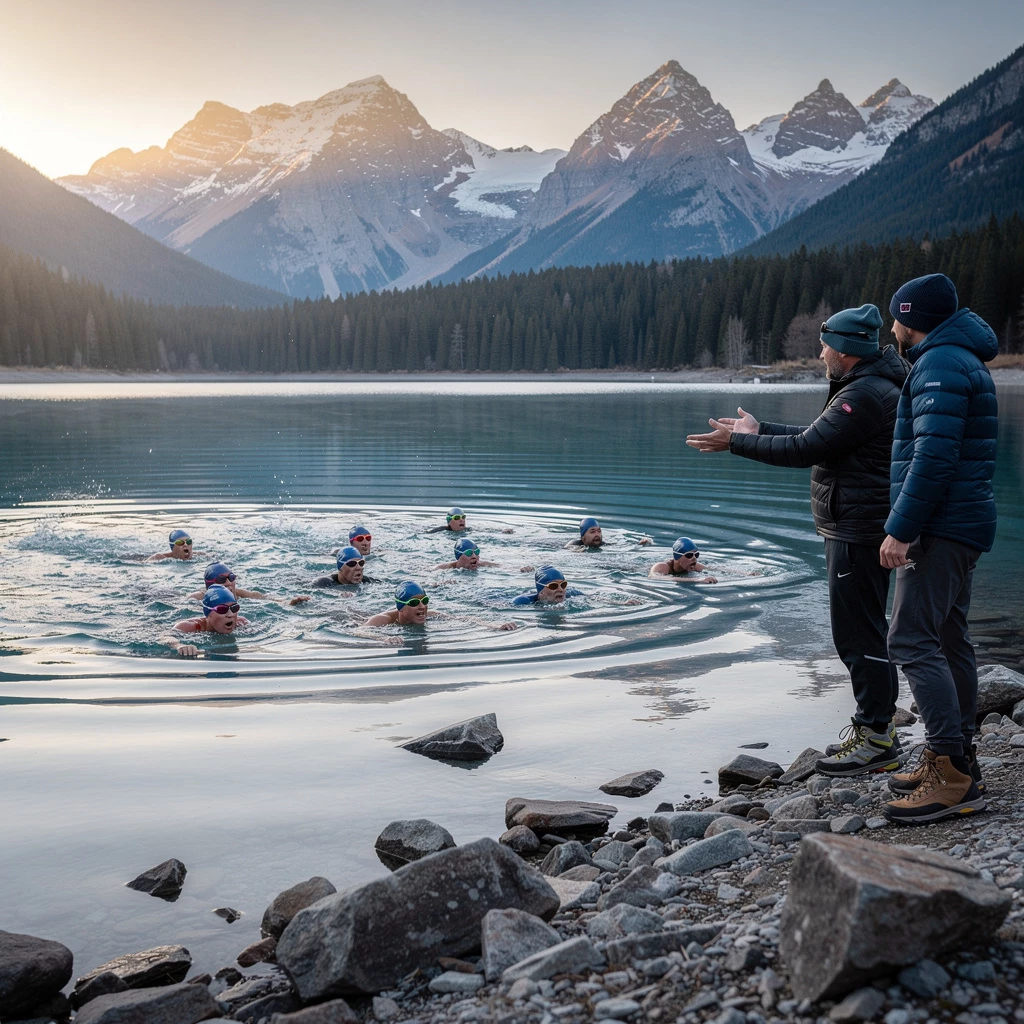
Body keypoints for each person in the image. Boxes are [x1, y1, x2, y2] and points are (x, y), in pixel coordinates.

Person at [687, 304, 908, 777]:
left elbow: (806, 448)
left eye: (826, 345)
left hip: (856, 529)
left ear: (846, 350)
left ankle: (875, 738)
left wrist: (737, 443)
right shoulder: (865, 387)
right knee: (863, 630)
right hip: (858, 525)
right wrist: (759, 430)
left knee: (858, 635)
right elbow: (820, 438)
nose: (821, 352)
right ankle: (878, 730)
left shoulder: (864, 393)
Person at [879, 274, 998, 825]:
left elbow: (933, 456)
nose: (892, 328)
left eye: (897, 317)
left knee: (909, 638)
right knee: (949, 638)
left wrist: (901, 528)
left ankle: (950, 773)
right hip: (960, 522)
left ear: (913, 318)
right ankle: (959, 758)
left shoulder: (940, 364)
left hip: (939, 526)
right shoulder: (956, 357)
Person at [165, 584, 248, 657]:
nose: (230, 614)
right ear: (207, 613)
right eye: (222, 609)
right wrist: (179, 645)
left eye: (234, 608)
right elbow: (165, 636)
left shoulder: (241, 622)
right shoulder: (192, 626)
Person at [189, 562, 309, 605]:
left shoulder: (239, 593)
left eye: (231, 577)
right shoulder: (199, 597)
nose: (229, 583)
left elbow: (262, 597)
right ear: (210, 585)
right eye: (222, 580)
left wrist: (289, 602)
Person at [650, 538, 718, 583]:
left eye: (696, 554)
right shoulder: (662, 566)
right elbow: (655, 577)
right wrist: (698, 580)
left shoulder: (694, 565)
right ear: (677, 557)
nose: (694, 558)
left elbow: (715, 569)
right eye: (689, 555)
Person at [512, 565, 581, 606]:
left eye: (563, 585)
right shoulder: (522, 601)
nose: (560, 589)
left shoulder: (572, 594)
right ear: (541, 592)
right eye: (553, 586)